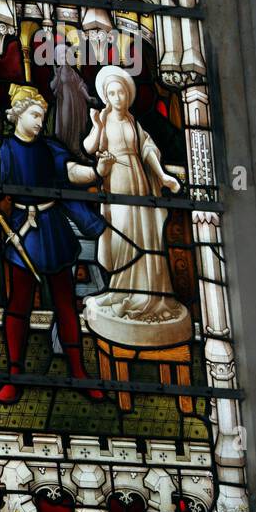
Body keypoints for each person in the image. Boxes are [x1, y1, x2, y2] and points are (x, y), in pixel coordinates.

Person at [0, 85, 108, 404]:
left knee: (65, 302)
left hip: (52, 227)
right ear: (18, 115)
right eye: (35, 115)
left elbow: (70, 173)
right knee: (19, 303)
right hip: (23, 232)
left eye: (43, 115)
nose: (41, 121)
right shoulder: (4, 149)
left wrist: (96, 171)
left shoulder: (50, 148)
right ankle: (14, 375)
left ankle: (78, 371)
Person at [82, 65, 189, 338]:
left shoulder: (132, 121)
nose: (117, 97)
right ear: (106, 97)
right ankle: (120, 289)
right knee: (123, 234)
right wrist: (97, 126)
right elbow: (89, 147)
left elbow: (147, 148)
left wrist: (162, 176)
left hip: (139, 179)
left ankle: (146, 292)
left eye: (121, 92)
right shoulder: (102, 119)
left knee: (144, 235)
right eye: (112, 93)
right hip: (116, 179)